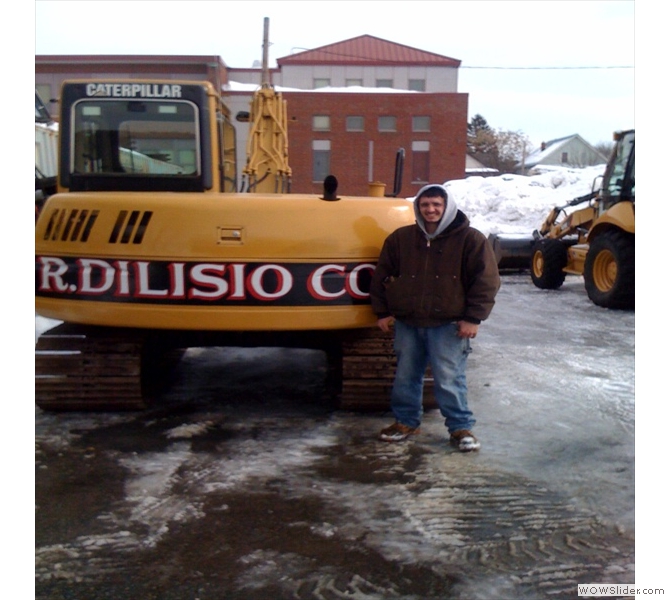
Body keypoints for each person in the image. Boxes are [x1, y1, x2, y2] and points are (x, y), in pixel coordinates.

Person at [369, 183, 500, 451]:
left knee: (449, 378)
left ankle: (460, 428)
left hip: (449, 324)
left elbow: (486, 281)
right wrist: (382, 311)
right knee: (406, 376)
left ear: (447, 207)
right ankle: (406, 422)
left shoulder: (471, 240)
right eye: (425, 205)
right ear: (418, 207)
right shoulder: (400, 239)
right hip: (408, 322)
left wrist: (473, 318)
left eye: (436, 205)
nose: (431, 210)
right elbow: (381, 275)